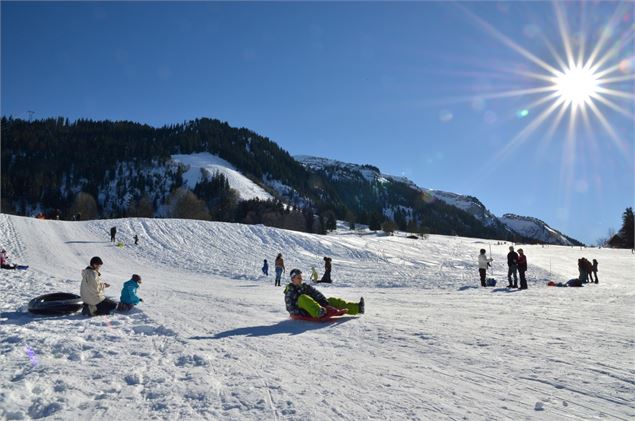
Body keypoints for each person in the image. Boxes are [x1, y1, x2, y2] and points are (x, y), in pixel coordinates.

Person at [284, 269, 364, 318]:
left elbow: (316, 293)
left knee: (331, 300)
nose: (301, 279)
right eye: (298, 278)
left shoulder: (305, 286)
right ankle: (319, 312)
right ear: (293, 279)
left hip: (315, 307)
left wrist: (323, 301)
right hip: (304, 312)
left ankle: (357, 308)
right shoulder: (290, 290)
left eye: (301, 277)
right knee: (302, 297)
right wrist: (302, 313)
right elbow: (290, 308)